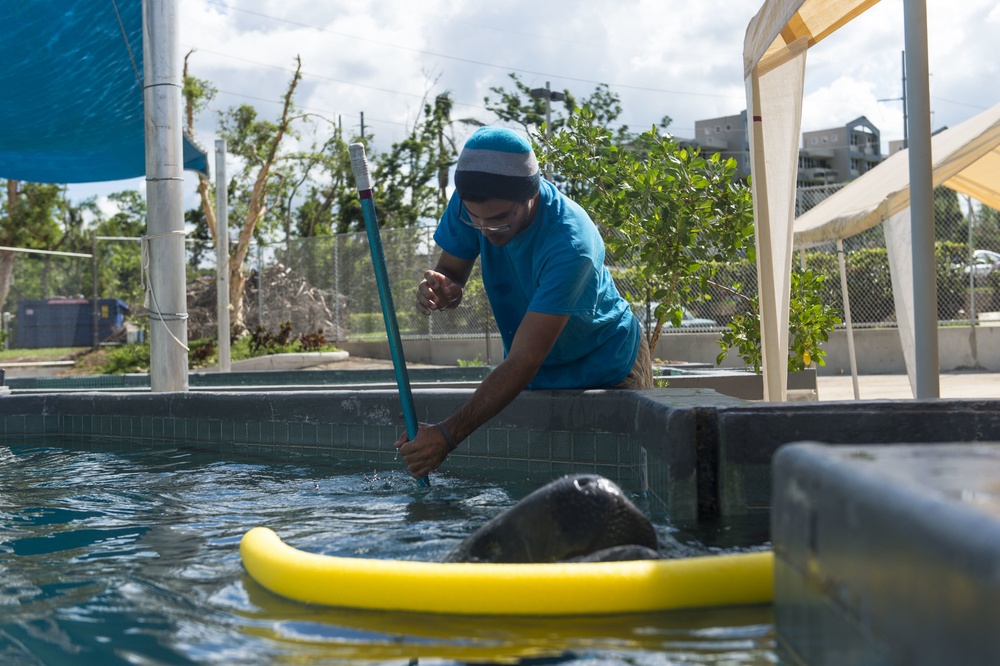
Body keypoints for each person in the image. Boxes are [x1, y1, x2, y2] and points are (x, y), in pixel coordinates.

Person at [395, 127, 652, 478]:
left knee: (619, 481)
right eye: (475, 220)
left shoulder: (571, 244)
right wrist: (445, 289)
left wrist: (445, 436)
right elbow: (450, 270)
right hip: (539, 371)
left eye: (500, 220)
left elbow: (524, 360)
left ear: (530, 196)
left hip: (607, 366)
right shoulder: (473, 203)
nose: (485, 231)